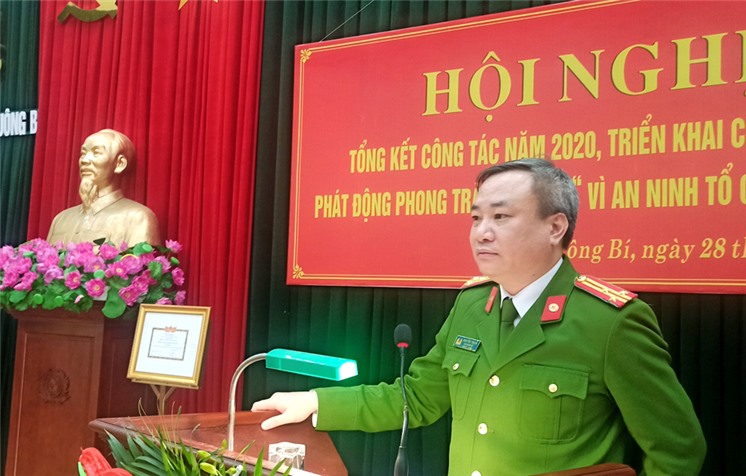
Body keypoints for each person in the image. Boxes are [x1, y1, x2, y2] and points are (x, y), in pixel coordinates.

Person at [252, 158, 706, 475]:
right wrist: (317, 402)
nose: (481, 233)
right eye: (476, 218)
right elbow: (419, 397)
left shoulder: (610, 323)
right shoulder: (472, 305)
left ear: (555, 227)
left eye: (501, 217)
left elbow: (677, 451)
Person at [46, 128, 161, 247]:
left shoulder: (138, 218)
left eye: (96, 153)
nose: (84, 160)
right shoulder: (60, 220)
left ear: (119, 164)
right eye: (83, 154)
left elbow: (138, 258)